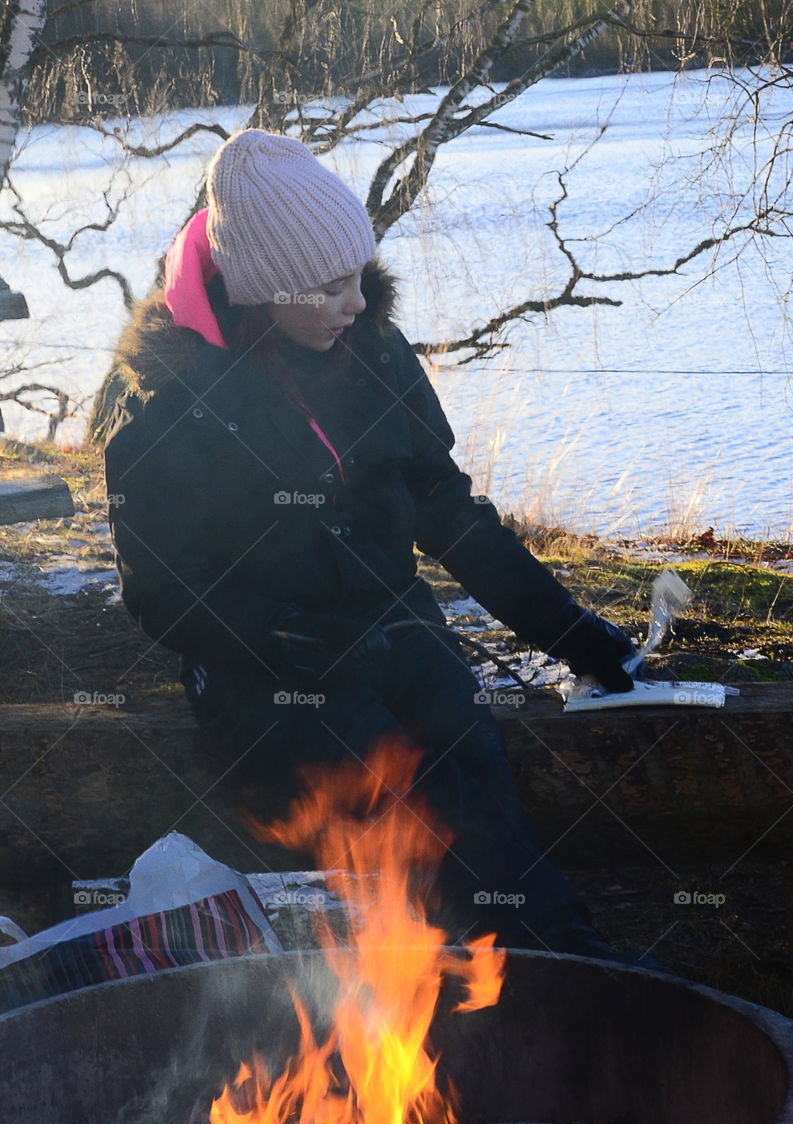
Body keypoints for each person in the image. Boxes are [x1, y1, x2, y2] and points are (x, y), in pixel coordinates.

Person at [104, 129, 639, 961]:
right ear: (259, 293)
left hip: (393, 624)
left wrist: (568, 632)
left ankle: (556, 961)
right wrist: (275, 631)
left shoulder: (372, 354)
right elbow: (162, 589)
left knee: (472, 752)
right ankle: (550, 970)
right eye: (327, 288)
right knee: (405, 789)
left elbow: (449, 512)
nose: (355, 302)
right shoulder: (172, 403)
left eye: (358, 275)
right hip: (266, 668)